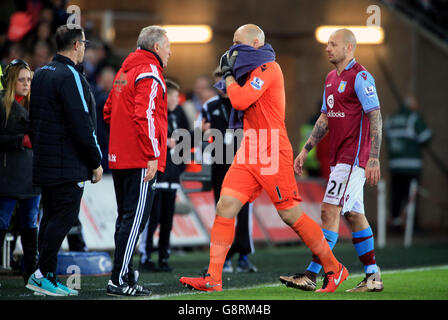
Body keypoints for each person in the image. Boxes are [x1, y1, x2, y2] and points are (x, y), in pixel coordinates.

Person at [179, 24, 347, 293]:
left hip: (271, 149)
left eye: (239, 42)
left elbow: (240, 101)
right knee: (225, 207)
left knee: (290, 214)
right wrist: (231, 76)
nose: (233, 49)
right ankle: (213, 278)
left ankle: (335, 268)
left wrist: (229, 74)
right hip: (250, 148)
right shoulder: (246, 72)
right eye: (231, 43)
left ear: (256, 43)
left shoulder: (270, 68)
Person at [279, 28, 384, 292]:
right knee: (354, 214)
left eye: (333, 44)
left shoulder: (361, 76)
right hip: (339, 158)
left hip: (353, 157)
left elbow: (375, 116)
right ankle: (373, 276)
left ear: (349, 48)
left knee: (329, 210)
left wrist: (373, 158)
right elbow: (325, 119)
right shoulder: (329, 78)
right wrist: (305, 150)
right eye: (327, 44)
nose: (328, 48)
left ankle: (315, 273)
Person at [27, 24, 103, 297]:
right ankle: (41, 274)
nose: (84, 47)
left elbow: (34, 118)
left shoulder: (42, 73)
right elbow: (82, 122)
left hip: (45, 158)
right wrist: (95, 161)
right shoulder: (70, 75)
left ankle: (44, 274)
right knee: (63, 217)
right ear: (75, 45)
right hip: (67, 162)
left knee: (49, 218)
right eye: (83, 43)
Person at [103, 25, 171, 296]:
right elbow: (145, 115)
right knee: (135, 221)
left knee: (126, 220)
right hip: (141, 158)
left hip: (120, 157)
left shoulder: (124, 70)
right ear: (156, 47)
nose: (170, 53)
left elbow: (108, 111)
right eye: (168, 47)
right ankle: (119, 280)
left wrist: (123, 137)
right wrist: (152, 153)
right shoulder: (150, 72)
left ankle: (126, 276)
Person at [202, 67, 257, 273]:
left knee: (244, 212)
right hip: (219, 165)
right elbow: (200, 132)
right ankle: (222, 258)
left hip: (243, 164)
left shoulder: (243, 102)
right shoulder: (209, 106)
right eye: (218, 83)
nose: (222, 88)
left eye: (225, 82)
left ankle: (243, 256)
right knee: (222, 211)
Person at [139, 79, 188, 273]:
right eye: (175, 96)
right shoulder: (157, 115)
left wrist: (179, 168)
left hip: (172, 178)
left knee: (167, 221)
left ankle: (163, 256)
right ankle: (146, 256)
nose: (177, 100)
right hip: (158, 177)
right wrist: (165, 142)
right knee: (153, 219)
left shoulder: (178, 115)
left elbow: (184, 141)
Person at [0, 59, 40, 285]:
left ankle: (31, 274)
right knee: (2, 221)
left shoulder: (35, 105)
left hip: (31, 175)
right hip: (7, 175)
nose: (26, 84)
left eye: (29, 80)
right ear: (11, 81)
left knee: (30, 225)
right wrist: (20, 140)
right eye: (22, 80)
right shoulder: (1, 104)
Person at [385, 94, 432, 232]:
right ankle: (413, 227)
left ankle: (395, 225)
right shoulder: (414, 118)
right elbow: (426, 137)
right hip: (412, 166)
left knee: (396, 196)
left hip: (395, 165)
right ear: (411, 105)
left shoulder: (390, 119)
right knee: (411, 198)